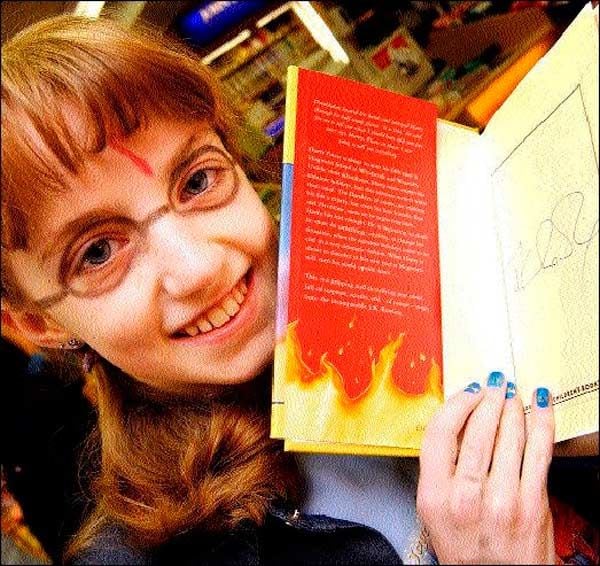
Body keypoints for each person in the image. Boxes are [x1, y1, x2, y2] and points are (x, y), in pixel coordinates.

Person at [1, 14, 558, 565]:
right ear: (38, 323)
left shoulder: (408, 314)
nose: (200, 267)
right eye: (97, 253)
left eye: (198, 181)